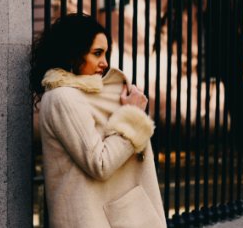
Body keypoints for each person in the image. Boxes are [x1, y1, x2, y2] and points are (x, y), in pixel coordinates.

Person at [30, 13, 167, 228]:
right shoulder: (62, 97)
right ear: (73, 53)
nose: (104, 63)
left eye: (106, 53)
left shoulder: (85, 95)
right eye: (97, 53)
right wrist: (133, 117)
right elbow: (99, 163)